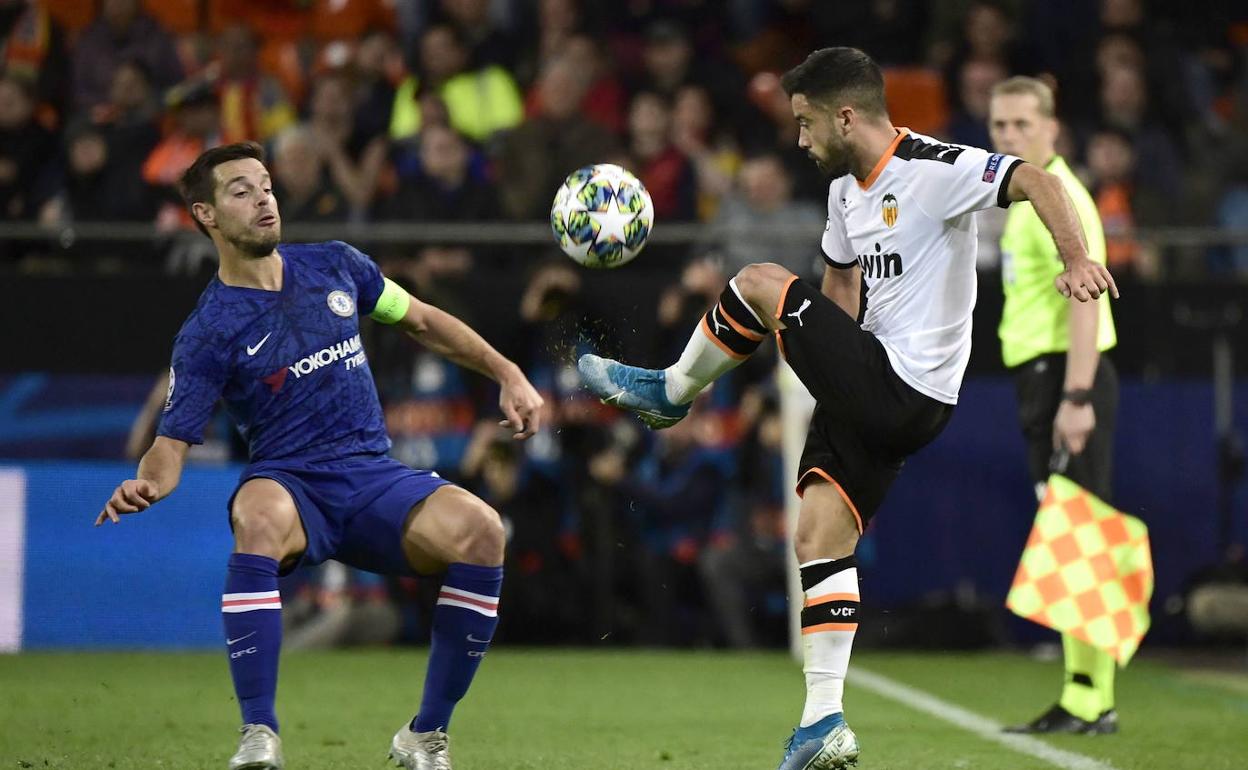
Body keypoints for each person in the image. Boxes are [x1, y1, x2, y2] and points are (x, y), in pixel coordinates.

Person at [578, 47, 1118, 770]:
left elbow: (1035, 181)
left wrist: (1076, 258)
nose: (800, 140)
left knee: (761, 281)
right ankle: (822, 722)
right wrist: (821, 364)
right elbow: (838, 293)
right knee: (819, 535)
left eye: (805, 124)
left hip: (910, 385)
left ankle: (672, 391)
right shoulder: (842, 196)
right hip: (869, 384)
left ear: (846, 115)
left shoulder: (934, 167)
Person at [95, 141, 543, 770]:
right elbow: (171, 446)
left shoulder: (339, 266)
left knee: (483, 530)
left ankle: (426, 736)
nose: (263, 200)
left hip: (371, 476)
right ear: (206, 215)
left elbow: (418, 318)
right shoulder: (207, 332)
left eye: (267, 185)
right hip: (291, 484)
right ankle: (259, 736)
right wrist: (146, 484)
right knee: (256, 514)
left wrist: (506, 369)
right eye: (241, 191)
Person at [988, 76, 1121, 736]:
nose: (1010, 136)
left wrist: (1075, 396)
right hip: (1044, 379)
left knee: (1081, 539)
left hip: (1066, 379)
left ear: (1051, 129)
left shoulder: (1058, 198)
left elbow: (1085, 294)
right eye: (1000, 127)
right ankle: (1087, 696)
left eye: (1021, 125)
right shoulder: (1026, 200)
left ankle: (1090, 699)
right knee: (1072, 537)